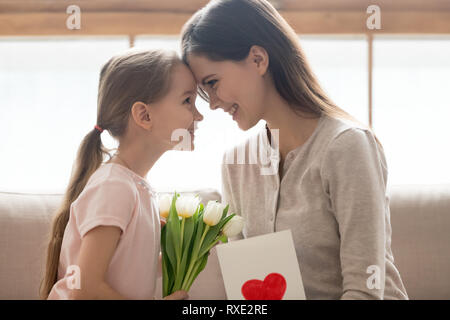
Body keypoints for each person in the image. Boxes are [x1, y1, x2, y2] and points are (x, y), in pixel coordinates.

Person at [181, 0, 408, 299]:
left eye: (213, 83)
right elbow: (247, 294)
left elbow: (365, 290)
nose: (212, 103)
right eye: (203, 91)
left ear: (258, 59)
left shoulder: (346, 146)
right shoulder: (235, 164)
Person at [40, 48, 203, 299]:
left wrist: (191, 249)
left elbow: (130, 271)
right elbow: (86, 288)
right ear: (144, 115)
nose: (199, 115)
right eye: (187, 101)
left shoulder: (136, 187)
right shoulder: (114, 187)